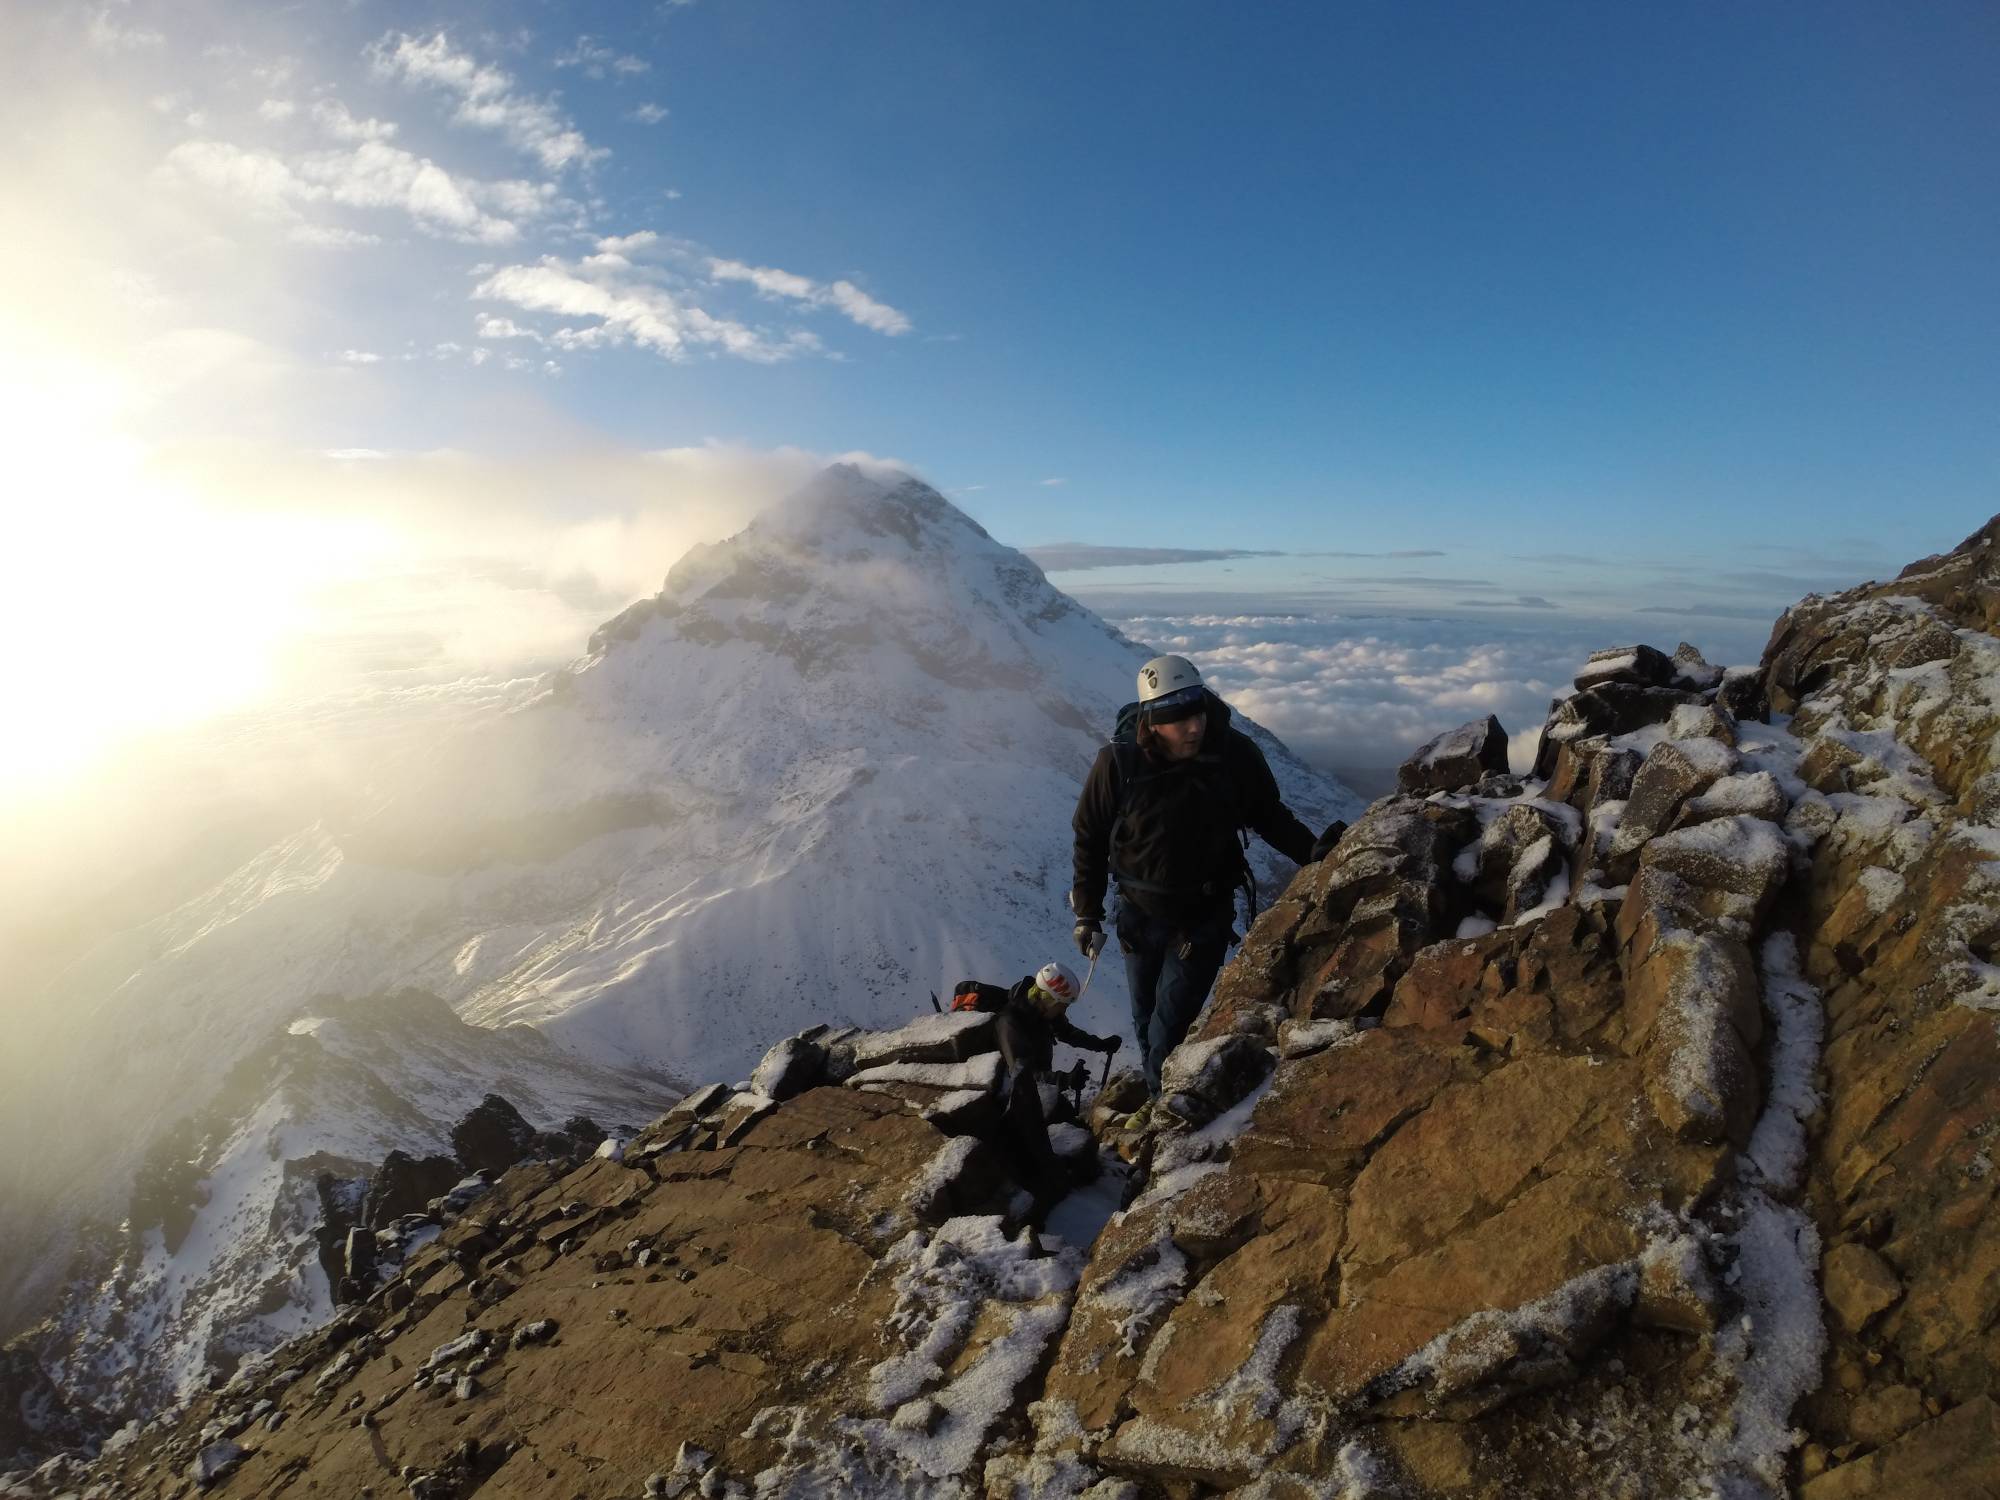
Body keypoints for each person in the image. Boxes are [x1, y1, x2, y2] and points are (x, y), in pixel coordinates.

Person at [1069, 655, 1341, 1103]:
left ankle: (1164, 1111)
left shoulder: (1232, 755)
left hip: (1204, 917)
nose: (1193, 727)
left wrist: (1312, 853)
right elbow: (1090, 838)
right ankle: (1164, 1093)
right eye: (1178, 720)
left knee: (1168, 1027)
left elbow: (1268, 816)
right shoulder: (1118, 763)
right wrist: (1088, 914)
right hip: (1138, 915)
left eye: (1197, 712)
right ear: (1153, 722)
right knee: (1144, 1017)